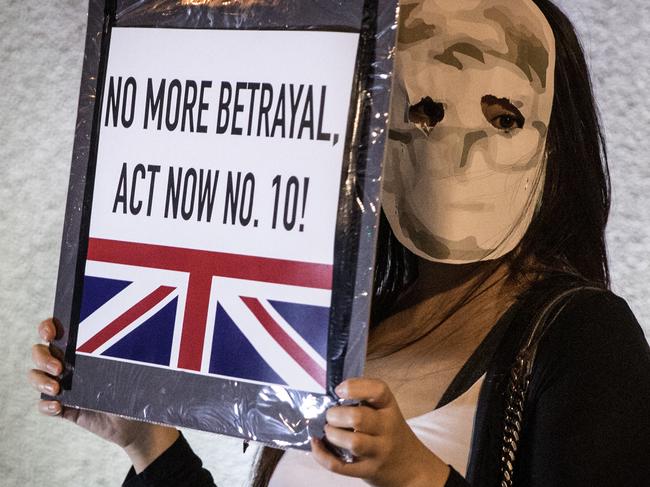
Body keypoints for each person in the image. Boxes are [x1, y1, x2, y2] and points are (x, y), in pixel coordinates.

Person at [29, 0, 650, 486]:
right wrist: (146, 443)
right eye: (423, 110)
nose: (460, 149)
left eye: (503, 116)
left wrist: (415, 475)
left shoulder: (585, 337)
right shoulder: (344, 329)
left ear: (552, 133)